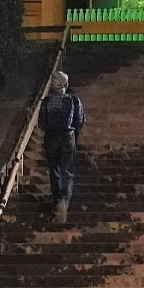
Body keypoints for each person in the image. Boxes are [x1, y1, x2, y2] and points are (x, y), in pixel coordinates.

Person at [39, 71, 86, 222]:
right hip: (67, 137)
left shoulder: (46, 102)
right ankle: (64, 202)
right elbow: (79, 122)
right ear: (66, 84)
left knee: (54, 170)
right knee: (67, 171)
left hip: (51, 137)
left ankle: (57, 200)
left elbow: (41, 123)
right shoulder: (73, 101)